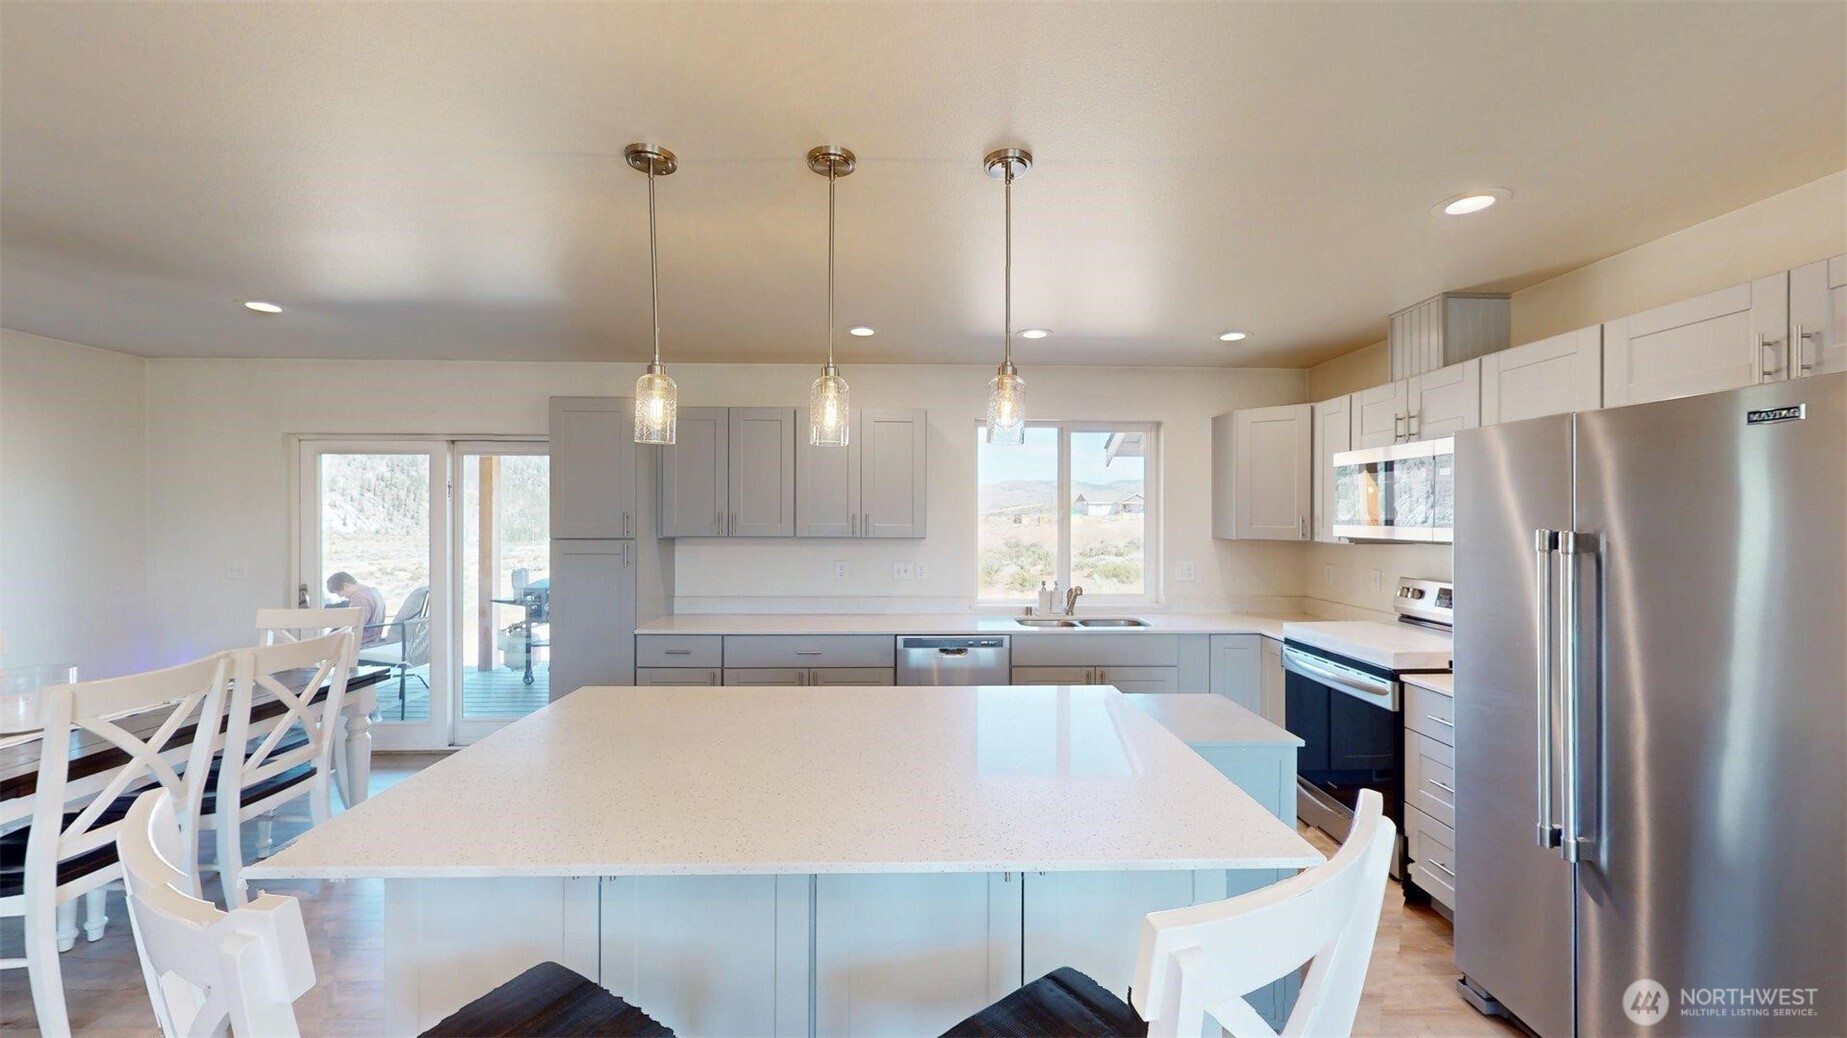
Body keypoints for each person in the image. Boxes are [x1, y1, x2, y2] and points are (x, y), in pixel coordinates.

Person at [326, 571, 387, 646]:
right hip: (374, 639)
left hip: (362, 642)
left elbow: (354, 624)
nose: (340, 596)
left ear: (346, 585)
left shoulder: (359, 598)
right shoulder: (374, 592)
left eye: (339, 593)